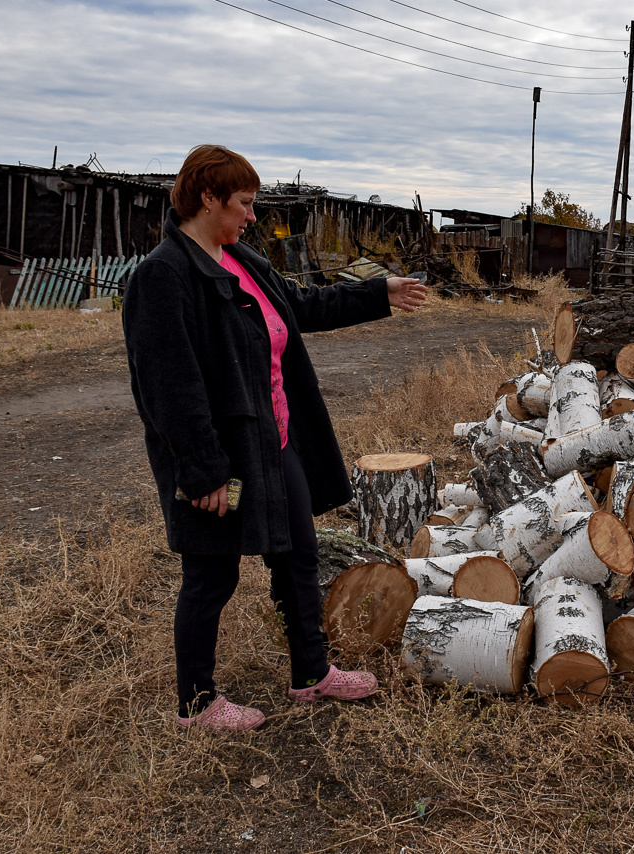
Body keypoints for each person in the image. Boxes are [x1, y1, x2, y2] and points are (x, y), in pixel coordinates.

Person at [123, 144, 426, 732]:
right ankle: (196, 705)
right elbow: (167, 388)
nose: (252, 215)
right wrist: (203, 471)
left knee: (298, 553)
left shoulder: (240, 259)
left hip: (273, 444)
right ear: (207, 198)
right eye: (244, 203)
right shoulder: (164, 276)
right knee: (213, 573)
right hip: (222, 460)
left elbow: (301, 306)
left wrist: (377, 293)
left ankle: (312, 674)